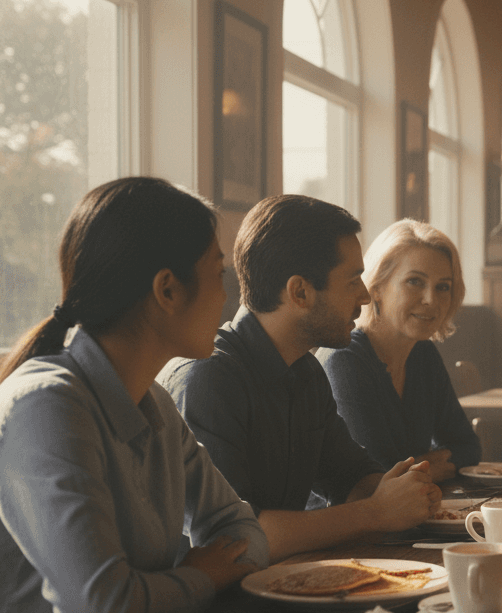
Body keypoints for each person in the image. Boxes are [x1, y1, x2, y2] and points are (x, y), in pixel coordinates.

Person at [0, 178, 267, 613]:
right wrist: (204, 577)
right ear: (167, 290)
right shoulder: (46, 405)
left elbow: (242, 529)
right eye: (217, 275)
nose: (227, 296)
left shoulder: (154, 401)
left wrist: (185, 580)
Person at [160, 195, 440, 563]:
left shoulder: (306, 371)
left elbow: (352, 477)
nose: (365, 296)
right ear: (300, 292)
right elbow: (233, 539)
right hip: (210, 609)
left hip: (282, 584)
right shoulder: (207, 378)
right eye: (353, 280)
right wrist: (377, 512)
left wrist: (402, 491)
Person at [317, 220, 481, 481]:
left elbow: (469, 449)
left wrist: (410, 470)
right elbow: (379, 477)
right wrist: (430, 463)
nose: (431, 299)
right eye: (415, 281)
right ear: (377, 288)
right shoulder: (345, 360)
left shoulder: (423, 354)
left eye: (443, 287)